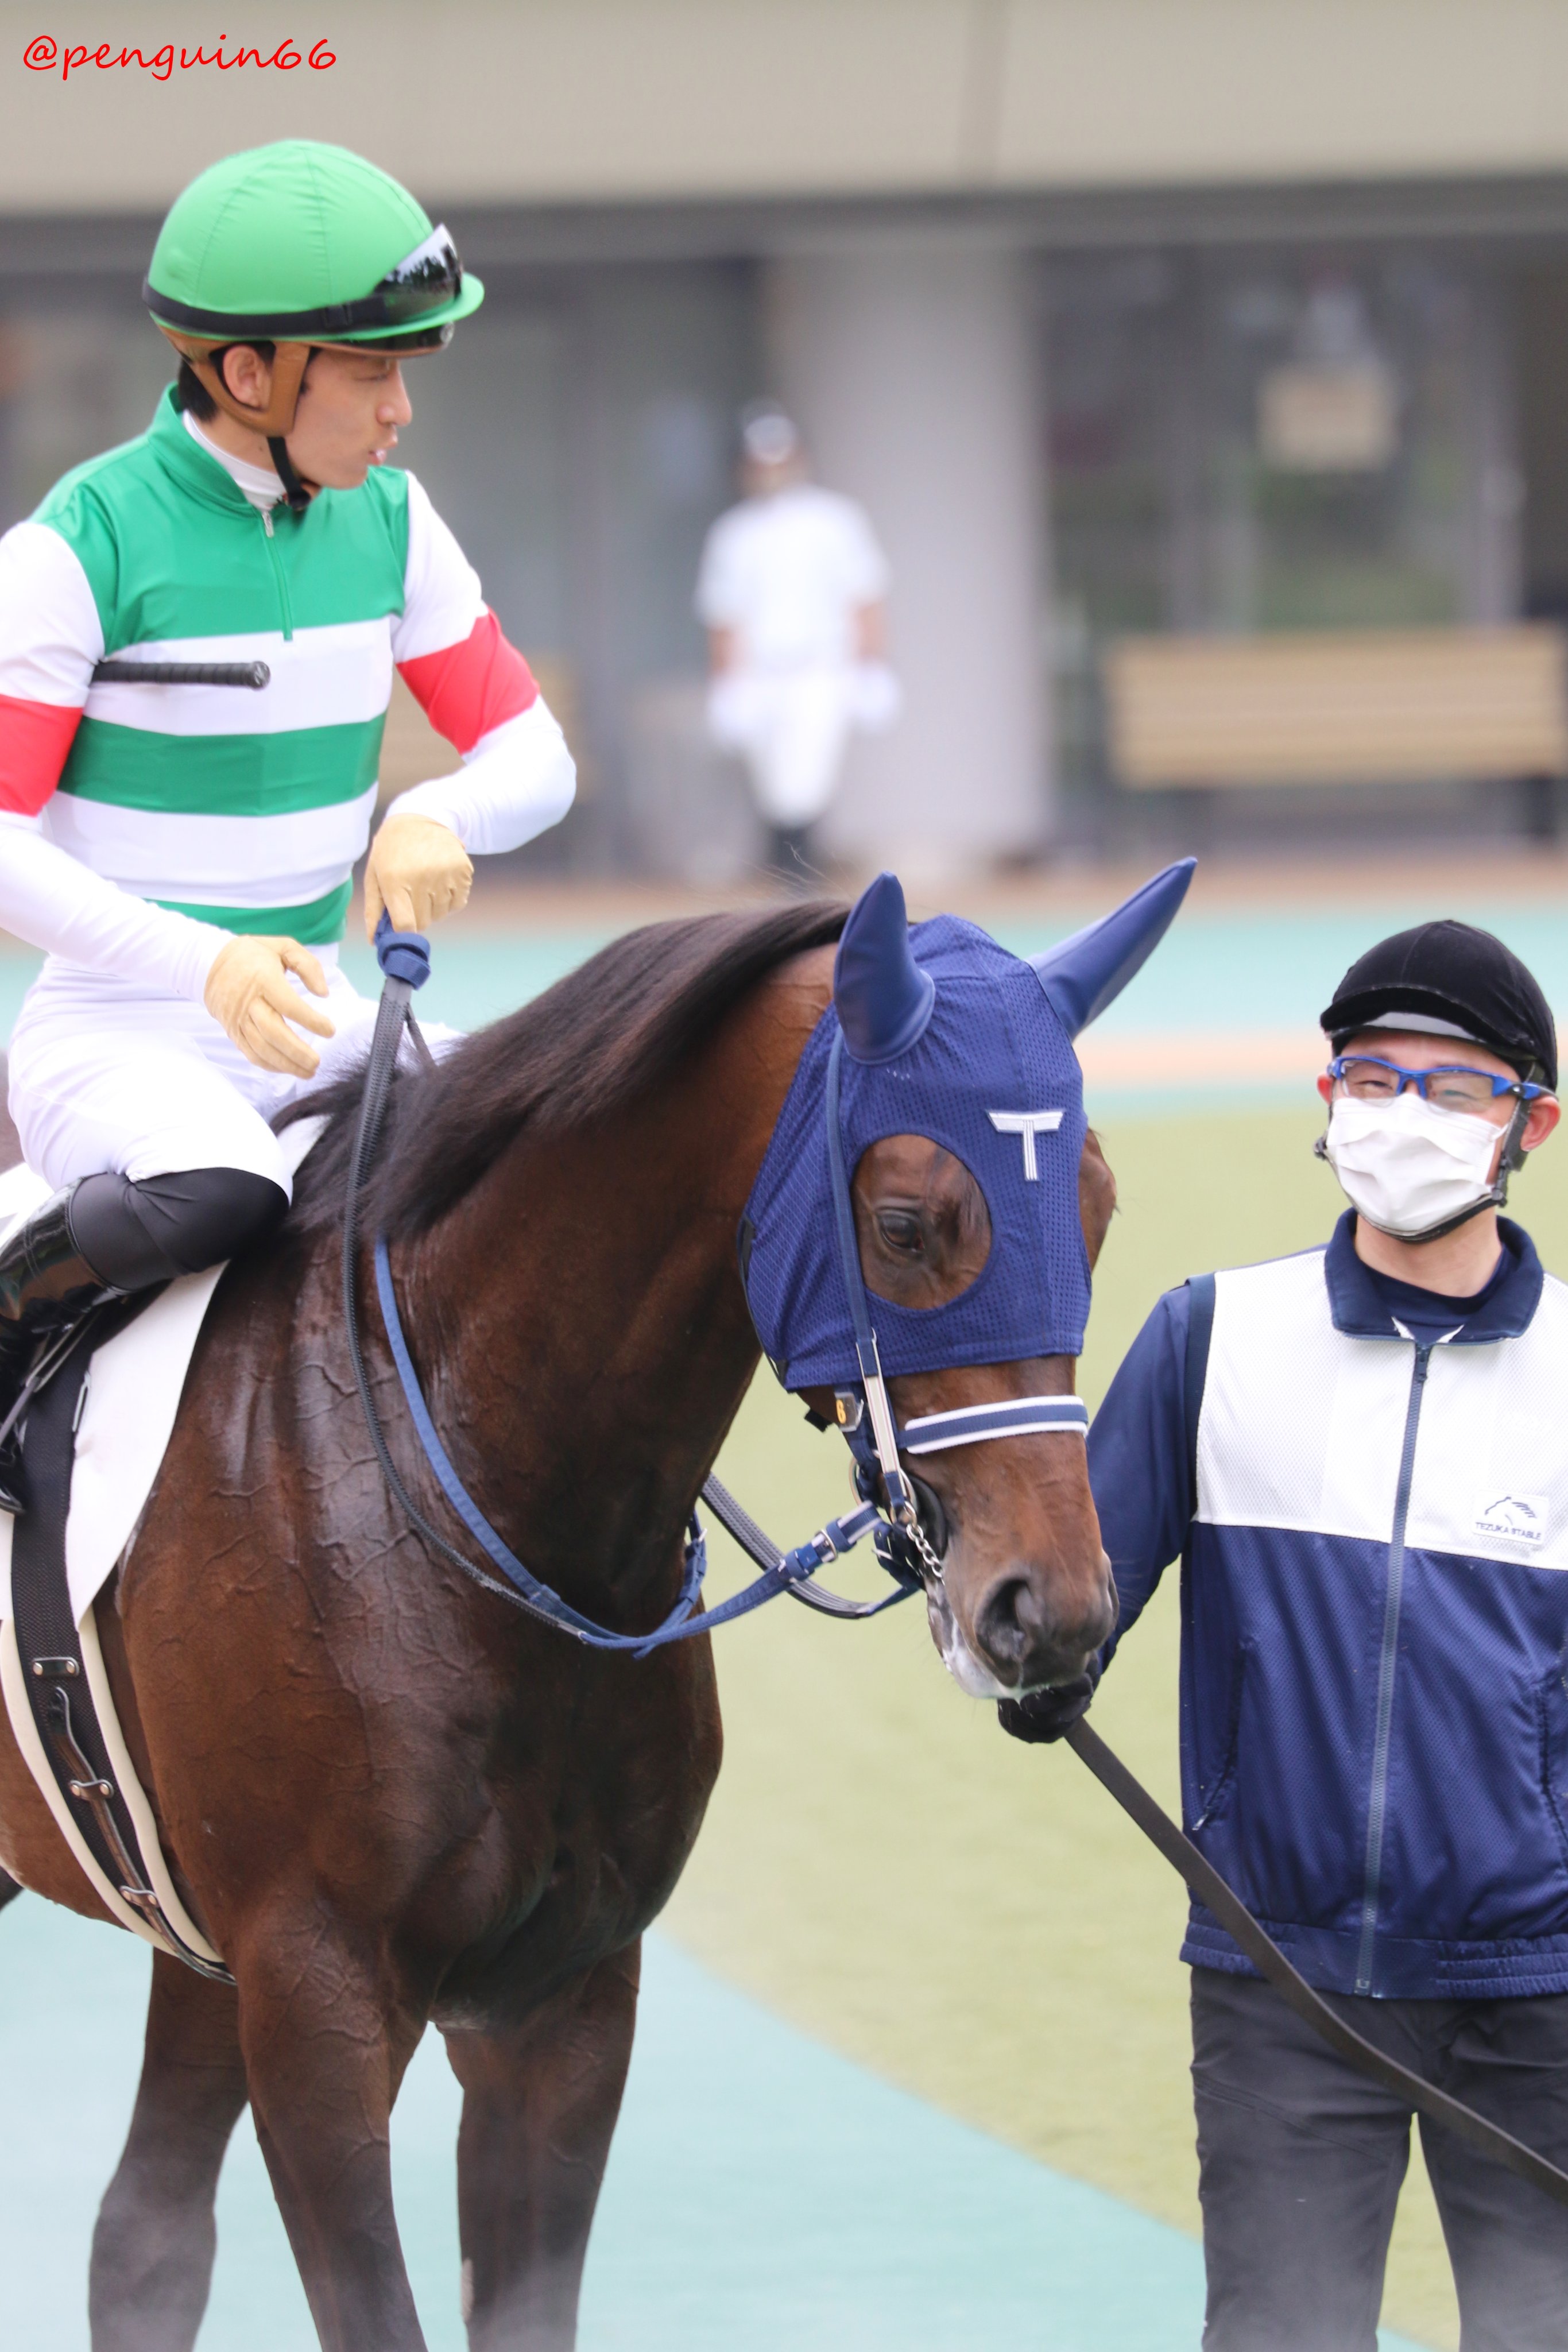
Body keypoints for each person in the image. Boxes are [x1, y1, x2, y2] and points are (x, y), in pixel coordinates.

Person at [1002, 919, 1568, 2351]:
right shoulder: (1212, 1341)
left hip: (1540, 2002)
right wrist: (1009, 1637)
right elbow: (1062, 1610)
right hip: (1279, 1986)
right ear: (1328, 1107)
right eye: (1371, 1080)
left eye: (1452, 1089)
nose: (1403, 1117)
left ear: (1532, 1125)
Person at [0, 140, 576, 1507]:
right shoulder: (73, 550)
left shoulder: (393, 521)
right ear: (246, 373)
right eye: (370, 372)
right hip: (115, 1041)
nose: (399, 413)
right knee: (225, 1192)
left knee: (519, 1190)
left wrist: (441, 811)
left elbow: (533, 752)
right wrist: (202, 964)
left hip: (316, 1020)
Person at [696, 402, 899, 883]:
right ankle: (782, 870)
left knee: (808, 777)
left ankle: (801, 872)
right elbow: (724, 615)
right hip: (760, 672)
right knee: (770, 782)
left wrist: (871, 666)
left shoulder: (836, 520)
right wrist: (727, 684)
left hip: (820, 667)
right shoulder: (733, 533)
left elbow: (864, 597)